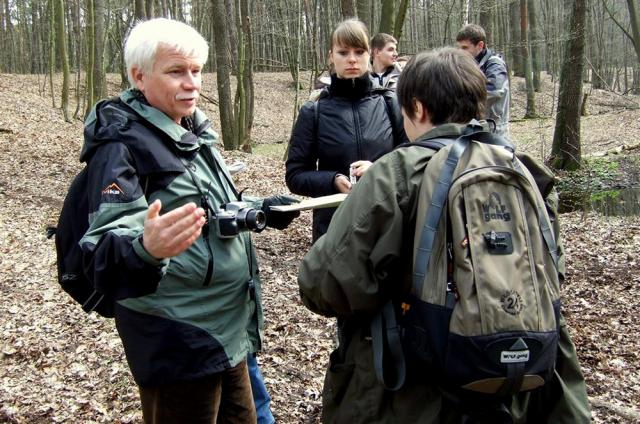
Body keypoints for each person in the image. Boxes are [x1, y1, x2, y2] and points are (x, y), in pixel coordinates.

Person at [297, 48, 591, 423]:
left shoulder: (395, 174)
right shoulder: (522, 172)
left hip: (409, 395)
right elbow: (552, 274)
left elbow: (324, 285)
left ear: (417, 108)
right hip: (518, 388)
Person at [79, 18, 298, 422]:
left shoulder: (190, 131)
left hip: (227, 326)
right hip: (177, 336)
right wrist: (146, 248)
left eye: (196, 70)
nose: (192, 83)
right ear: (138, 76)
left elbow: (209, 206)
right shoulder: (120, 146)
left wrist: (260, 207)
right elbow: (102, 250)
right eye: (177, 71)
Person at [286, 19, 407, 242]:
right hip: (334, 231)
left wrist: (378, 170)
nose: (352, 59)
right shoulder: (314, 112)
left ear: (369, 54)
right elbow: (295, 176)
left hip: (388, 227)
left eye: (359, 51)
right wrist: (333, 180)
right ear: (331, 56)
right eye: (343, 52)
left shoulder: (390, 103)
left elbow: (411, 158)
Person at [456, 23, 510, 137]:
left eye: (465, 47)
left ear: (480, 45)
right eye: (459, 48)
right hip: (473, 127)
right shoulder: (468, 65)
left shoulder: (495, 64)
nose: (460, 52)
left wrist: (460, 105)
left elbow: (494, 91)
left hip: (494, 129)